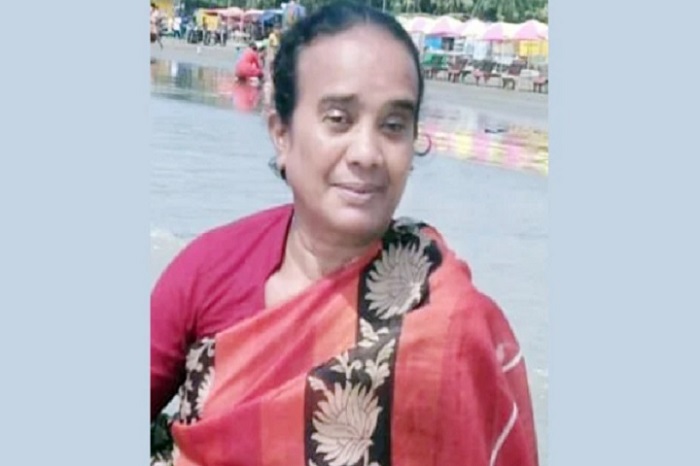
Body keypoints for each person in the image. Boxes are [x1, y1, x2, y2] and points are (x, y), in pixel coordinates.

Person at [150, 2, 539, 466]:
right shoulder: (209, 271)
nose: (367, 153)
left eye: (393, 126)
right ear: (281, 133)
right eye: (338, 118)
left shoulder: (446, 316)